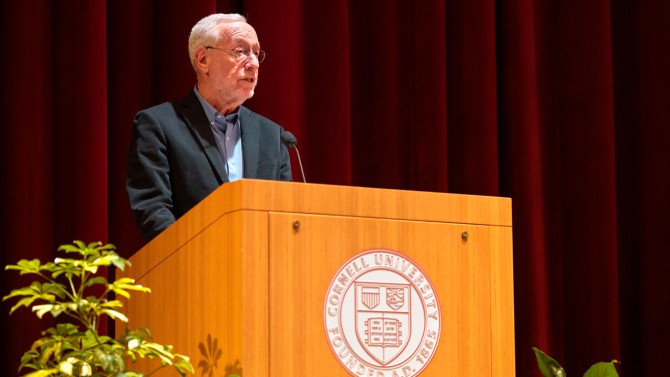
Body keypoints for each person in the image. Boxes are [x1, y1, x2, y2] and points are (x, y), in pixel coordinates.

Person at [126, 13, 292, 241]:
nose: (253, 63)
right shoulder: (158, 125)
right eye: (240, 51)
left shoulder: (273, 135)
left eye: (256, 53)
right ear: (203, 59)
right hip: (192, 269)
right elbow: (153, 210)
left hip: (261, 270)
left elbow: (286, 214)